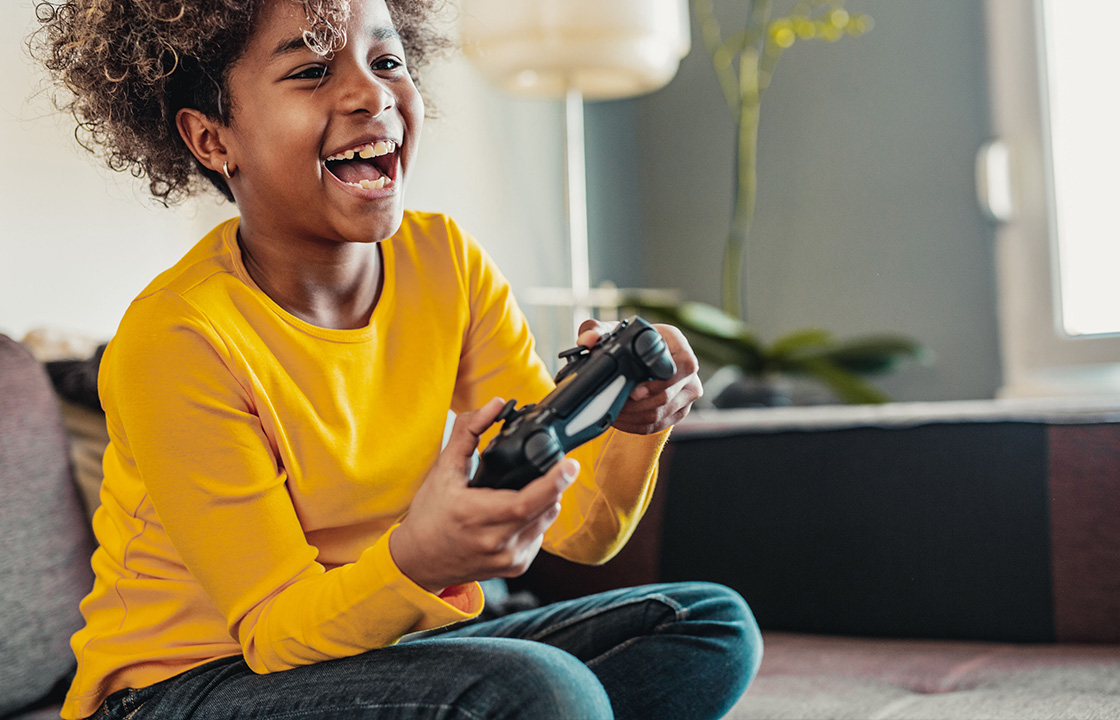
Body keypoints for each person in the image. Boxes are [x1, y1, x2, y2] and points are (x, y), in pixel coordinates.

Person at [32, 0, 763, 718]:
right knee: (544, 694)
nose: (371, 93)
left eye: (387, 61)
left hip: (384, 646)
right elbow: (276, 632)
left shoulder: (445, 262)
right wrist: (422, 558)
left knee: (705, 625)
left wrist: (633, 421)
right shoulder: (178, 339)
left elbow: (580, 531)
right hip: (186, 687)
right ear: (213, 138)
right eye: (313, 70)